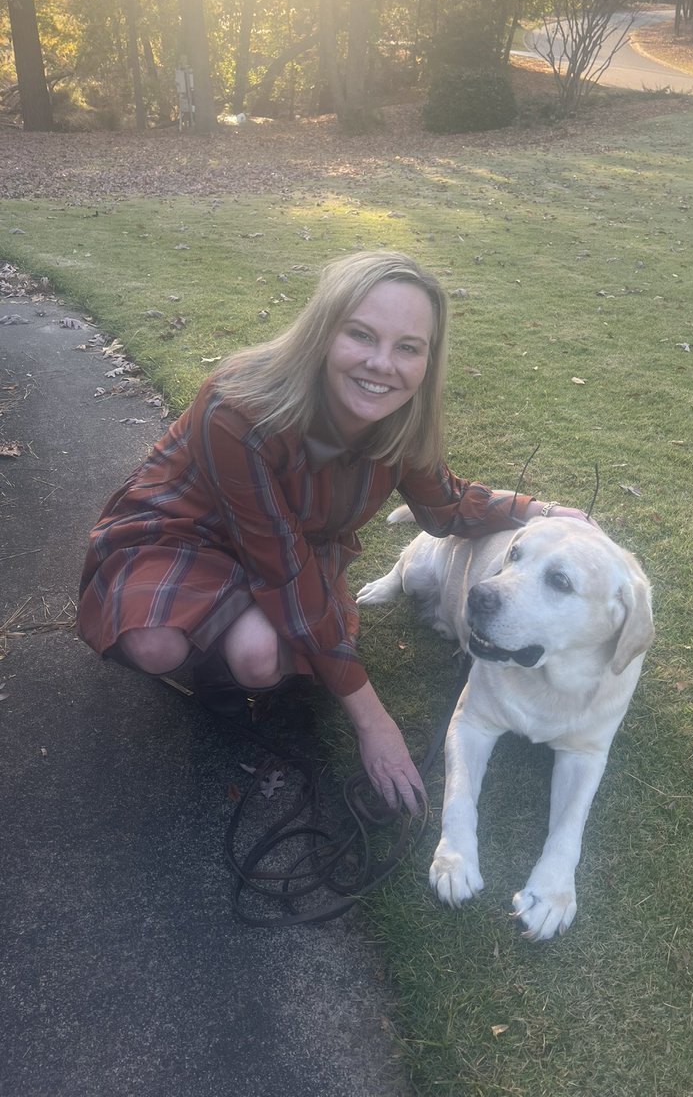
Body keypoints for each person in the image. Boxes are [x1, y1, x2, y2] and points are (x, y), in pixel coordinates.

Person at [76, 250, 588, 815]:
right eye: (361, 335)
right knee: (155, 642)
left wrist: (538, 510)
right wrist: (373, 722)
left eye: (408, 347)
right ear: (323, 330)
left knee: (256, 658)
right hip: (186, 532)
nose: (382, 364)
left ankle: (232, 672)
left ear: (428, 358)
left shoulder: (401, 420)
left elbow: (445, 507)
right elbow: (282, 570)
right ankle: (210, 663)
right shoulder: (237, 409)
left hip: (288, 551)